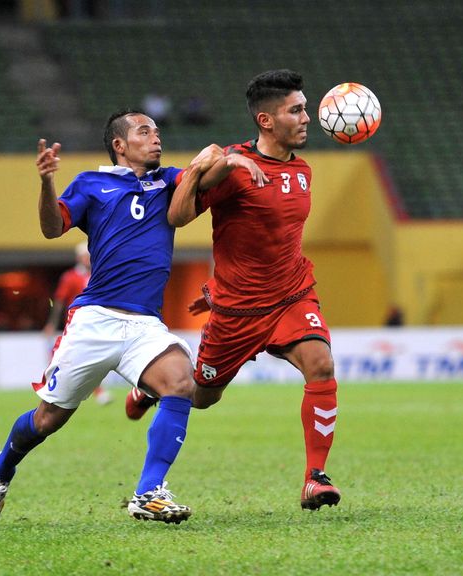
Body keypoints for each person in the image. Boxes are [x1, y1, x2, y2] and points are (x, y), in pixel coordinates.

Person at [0, 110, 224, 525]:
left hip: (145, 323)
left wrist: (223, 156)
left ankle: (149, 491)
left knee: (181, 383)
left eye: (157, 131)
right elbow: (52, 227)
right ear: (120, 145)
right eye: (145, 131)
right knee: (48, 419)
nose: (156, 138)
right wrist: (46, 182)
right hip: (95, 319)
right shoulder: (91, 184)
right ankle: (0, 468)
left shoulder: (168, 180)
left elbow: (210, 172)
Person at [126, 69, 342, 511]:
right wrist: (208, 166)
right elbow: (177, 215)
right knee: (201, 397)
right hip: (237, 313)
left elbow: (274, 241)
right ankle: (151, 389)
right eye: (296, 110)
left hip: (292, 296)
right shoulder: (232, 166)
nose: (307, 118)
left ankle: (315, 479)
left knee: (321, 364)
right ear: (266, 120)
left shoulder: (302, 170)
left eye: (305, 108)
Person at [43, 241, 112, 405]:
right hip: (77, 324)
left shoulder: (99, 274)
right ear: (79, 258)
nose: (88, 259)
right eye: (85, 256)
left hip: (99, 322)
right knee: (71, 356)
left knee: (91, 358)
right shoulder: (70, 277)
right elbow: (60, 301)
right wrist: (52, 323)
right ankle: (55, 385)